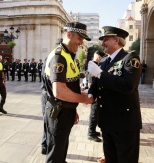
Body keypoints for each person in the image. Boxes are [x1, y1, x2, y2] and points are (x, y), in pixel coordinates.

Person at [88, 26, 142, 163]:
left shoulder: (130, 58)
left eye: (105, 40)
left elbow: (128, 86)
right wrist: (90, 94)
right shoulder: (105, 61)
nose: (102, 43)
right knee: (110, 158)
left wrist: (100, 73)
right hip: (107, 121)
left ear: (116, 40)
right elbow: (97, 84)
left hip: (125, 124)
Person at [44, 22, 93, 163]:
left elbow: (69, 87)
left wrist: (73, 109)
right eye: (79, 38)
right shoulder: (59, 57)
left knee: (61, 149)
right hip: (59, 112)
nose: (81, 42)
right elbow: (59, 92)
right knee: (55, 155)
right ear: (69, 34)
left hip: (65, 110)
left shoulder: (68, 55)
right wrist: (84, 99)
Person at [87, 50, 106, 143]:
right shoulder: (93, 65)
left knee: (96, 115)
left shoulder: (96, 65)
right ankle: (91, 133)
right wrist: (94, 95)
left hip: (98, 94)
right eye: (101, 57)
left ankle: (93, 131)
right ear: (98, 56)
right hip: (95, 95)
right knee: (94, 115)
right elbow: (90, 82)